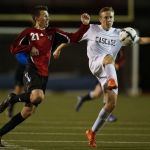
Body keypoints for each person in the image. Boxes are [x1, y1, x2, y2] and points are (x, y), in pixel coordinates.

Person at [52, 7, 150, 147]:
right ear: (100, 19)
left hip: (107, 70)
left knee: (111, 104)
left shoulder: (119, 34)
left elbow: (139, 40)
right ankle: (110, 80)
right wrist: (58, 48)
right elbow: (73, 39)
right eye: (105, 17)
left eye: (110, 17)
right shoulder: (92, 29)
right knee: (109, 57)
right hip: (96, 64)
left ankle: (92, 132)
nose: (108, 19)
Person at [0, 5, 90, 147]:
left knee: (28, 111)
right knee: (38, 96)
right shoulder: (29, 32)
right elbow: (13, 48)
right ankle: (12, 98)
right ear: (37, 18)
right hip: (32, 69)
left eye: (48, 16)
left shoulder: (53, 32)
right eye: (45, 16)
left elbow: (73, 38)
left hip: (44, 75)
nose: (48, 18)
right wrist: (29, 47)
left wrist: (84, 26)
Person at [75, 48, 125, 122]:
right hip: (103, 72)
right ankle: (108, 115)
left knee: (96, 94)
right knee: (106, 91)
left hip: (110, 73)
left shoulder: (120, 47)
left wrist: (118, 65)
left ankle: (82, 98)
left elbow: (122, 60)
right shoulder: (108, 43)